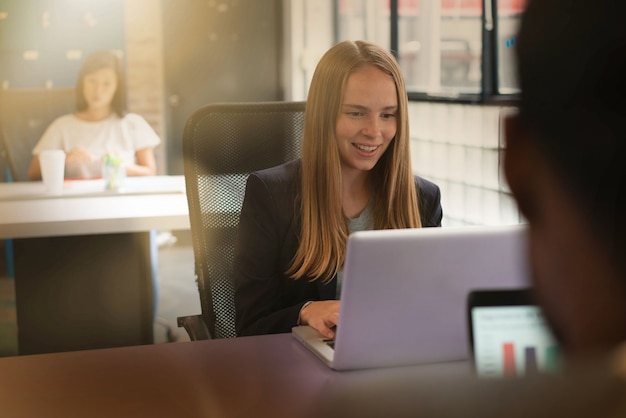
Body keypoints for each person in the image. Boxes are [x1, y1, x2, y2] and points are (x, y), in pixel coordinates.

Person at [233, 40, 443, 338]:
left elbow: (434, 305)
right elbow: (250, 324)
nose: (374, 131)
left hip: (398, 358)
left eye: (387, 114)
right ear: (324, 115)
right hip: (301, 368)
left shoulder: (423, 198)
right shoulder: (271, 194)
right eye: (356, 113)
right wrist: (305, 311)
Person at [27, 50, 160, 180]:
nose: (98, 90)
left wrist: (117, 166)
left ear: (117, 87)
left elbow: (150, 171)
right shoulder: (61, 126)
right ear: (82, 82)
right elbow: (33, 173)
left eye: (106, 83)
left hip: (121, 200)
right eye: (92, 81)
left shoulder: (133, 123)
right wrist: (66, 159)